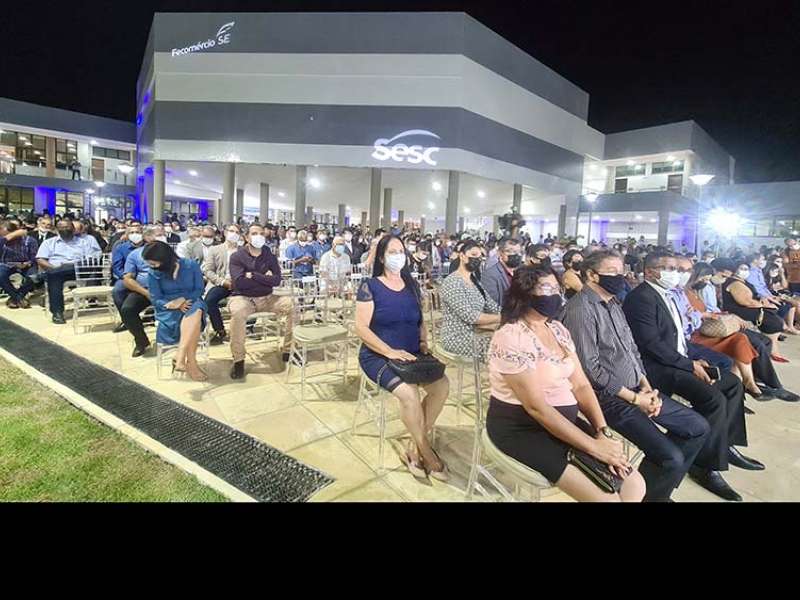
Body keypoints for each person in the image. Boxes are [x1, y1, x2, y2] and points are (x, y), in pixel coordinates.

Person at [486, 266, 645, 502]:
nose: (553, 295)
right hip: (523, 428)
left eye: (556, 288)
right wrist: (593, 447)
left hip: (564, 423)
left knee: (634, 484)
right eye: (545, 288)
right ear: (524, 293)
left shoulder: (557, 330)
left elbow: (581, 385)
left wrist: (602, 432)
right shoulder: (511, 337)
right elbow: (536, 408)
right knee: (607, 499)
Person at [562, 250, 709, 502]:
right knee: (670, 457)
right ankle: (653, 490)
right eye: (612, 272)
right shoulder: (581, 310)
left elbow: (632, 350)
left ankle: (654, 491)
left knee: (697, 427)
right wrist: (635, 399)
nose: (619, 277)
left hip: (637, 388)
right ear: (591, 275)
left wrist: (647, 388)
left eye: (621, 271)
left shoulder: (614, 304)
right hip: (606, 397)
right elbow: (590, 370)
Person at [622, 251, 763, 502]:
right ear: (650, 271)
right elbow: (651, 344)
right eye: (669, 268)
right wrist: (689, 365)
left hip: (678, 357)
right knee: (713, 399)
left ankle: (723, 445)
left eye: (678, 269)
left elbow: (679, 335)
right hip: (655, 366)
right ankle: (705, 466)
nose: (677, 273)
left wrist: (693, 358)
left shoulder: (669, 293)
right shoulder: (641, 298)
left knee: (732, 383)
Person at [354, 235, 450, 480]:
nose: (399, 256)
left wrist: (423, 342)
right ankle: (426, 451)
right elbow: (361, 328)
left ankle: (414, 446)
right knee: (409, 393)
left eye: (401, 252)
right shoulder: (370, 286)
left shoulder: (411, 286)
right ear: (382, 257)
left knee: (442, 386)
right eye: (392, 252)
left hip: (411, 354)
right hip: (378, 355)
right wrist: (389, 351)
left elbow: (419, 321)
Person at [228, 224, 295, 380]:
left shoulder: (269, 255)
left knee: (293, 305)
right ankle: (238, 360)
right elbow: (240, 283)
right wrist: (265, 278)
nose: (258, 236)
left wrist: (254, 275)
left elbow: (277, 280)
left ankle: (288, 349)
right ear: (246, 237)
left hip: (267, 297)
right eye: (254, 233)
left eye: (261, 233)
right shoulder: (237, 256)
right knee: (237, 313)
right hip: (244, 298)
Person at [142, 241, 208, 382]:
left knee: (196, 308)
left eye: (154, 263)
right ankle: (191, 363)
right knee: (195, 318)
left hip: (191, 300)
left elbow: (199, 289)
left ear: (165, 259)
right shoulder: (153, 273)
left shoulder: (191, 265)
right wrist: (173, 304)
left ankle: (180, 355)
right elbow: (155, 298)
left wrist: (183, 300)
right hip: (169, 309)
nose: (151, 266)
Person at [439, 240, 501, 359]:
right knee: (503, 347)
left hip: (478, 332)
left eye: (480, 257)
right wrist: (502, 317)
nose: (477, 259)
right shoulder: (452, 282)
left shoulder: (475, 281)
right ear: (462, 256)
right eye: (473, 255)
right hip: (458, 338)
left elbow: (492, 306)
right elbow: (471, 316)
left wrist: (512, 314)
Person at [720, 258, 789, 362]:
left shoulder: (743, 281)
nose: (745, 271)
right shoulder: (734, 282)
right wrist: (762, 305)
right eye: (742, 268)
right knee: (773, 320)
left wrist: (764, 301)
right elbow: (745, 301)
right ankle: (773, 350)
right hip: (738, 309)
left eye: (746, 269)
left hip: (748, 307)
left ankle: (773, 348)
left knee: (775, 312)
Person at [36, 218, 102, 324]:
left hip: (79, 271)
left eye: (67, 227)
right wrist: (53, 268)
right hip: (55, 270)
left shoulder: (83, 242)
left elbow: (92, 259)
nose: (64, 229)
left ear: (73, 229)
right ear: (57, 229)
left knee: (54, 274)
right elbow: (40, 259)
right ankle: (57, 313)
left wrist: (64, 267)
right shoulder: (49, 243)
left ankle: (43, 276)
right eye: (61, 227)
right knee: (54, 276)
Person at [119, 226, 160, 357]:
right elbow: (127, 279)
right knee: (127, 309)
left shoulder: (168, 253)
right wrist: (146, 293)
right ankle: (141, 341)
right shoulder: (135, 254)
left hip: (166, 290)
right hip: (143, 290)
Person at [203, 224, 241, 345]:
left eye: (237, 232)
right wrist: (223, 282)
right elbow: (208, 271)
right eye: (231, 231)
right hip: (222, 283)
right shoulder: (215, 249)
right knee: (209, 301)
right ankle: (220, 330)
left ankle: (248, 327)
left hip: (240, 283)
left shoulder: (243, 251)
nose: (234, 234)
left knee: (254, 297)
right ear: (225, 232)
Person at [746, 253, 798, 333]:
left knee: (791, 304)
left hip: (769, 295)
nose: (764, 261)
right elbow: (756, 290)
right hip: (760, 297)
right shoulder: (751, 273)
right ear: (755, 260)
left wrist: (772, 296)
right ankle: (779, 328)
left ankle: (786, 327)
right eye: (763, 259)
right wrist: (771, 298)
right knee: (784, 305)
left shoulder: (758, 271)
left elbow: (764, 288)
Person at [0, 219, 38, 309]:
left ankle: (15, 298)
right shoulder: (3, 241)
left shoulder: (29, 240)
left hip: (26, 263)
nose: (5, 238)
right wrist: (7, 238)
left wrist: (28, 263)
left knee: (34, 276)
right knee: (0, 275)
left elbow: (35, 256)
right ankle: (18, 298)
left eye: (7, 235)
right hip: (7, 264)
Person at [481, 237, 523, 307]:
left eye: (518, 252)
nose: (515, 255)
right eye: (509, 251)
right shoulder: (489, 275)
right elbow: (491, 304)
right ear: (499, 253)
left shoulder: (521, 271)